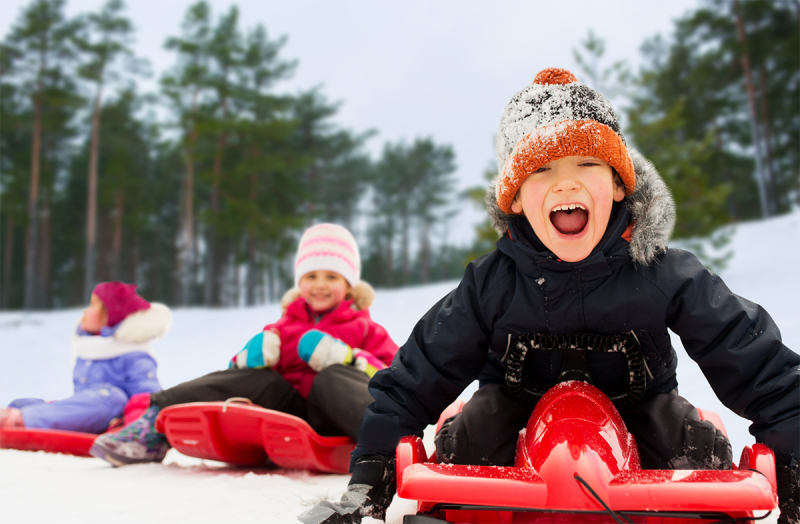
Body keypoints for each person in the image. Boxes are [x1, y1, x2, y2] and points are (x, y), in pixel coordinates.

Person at [299, 68, 800, 524]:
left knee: (689, 441)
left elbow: (759, 365)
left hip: (638, 414)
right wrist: (371, 472)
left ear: (620, 185)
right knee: (472, 432)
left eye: (586, 162)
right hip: (512, 419)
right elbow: (416, 376)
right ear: (514, 197)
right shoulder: (492, 283)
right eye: (540, 169)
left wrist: (794, 456)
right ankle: (461, 507)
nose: (565, 181)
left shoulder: (665, 273)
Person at [90, 223, 398, 467]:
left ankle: (389, 448)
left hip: (339, 417)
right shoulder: (281, 327)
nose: (319, 284)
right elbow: (237, 380)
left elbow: (391, 378)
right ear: (299, 281)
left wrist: (348, 357)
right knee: (259, 378)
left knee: (330, 377)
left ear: (349, 285)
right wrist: (245, 359)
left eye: (331, 276)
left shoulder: (367, 329)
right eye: (311, 275)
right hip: (289, 415)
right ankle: (153, 424)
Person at [0, 282, 171, 434]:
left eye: (92, 305)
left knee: (112, 398)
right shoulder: (93, 349)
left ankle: (20, 420)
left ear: (110, 316)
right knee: (22, 403)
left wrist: (134, 429)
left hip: (114, 421)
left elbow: (147, 398)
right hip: (88, 414)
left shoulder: (135, 354)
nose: (85, 310)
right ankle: (23, 415)